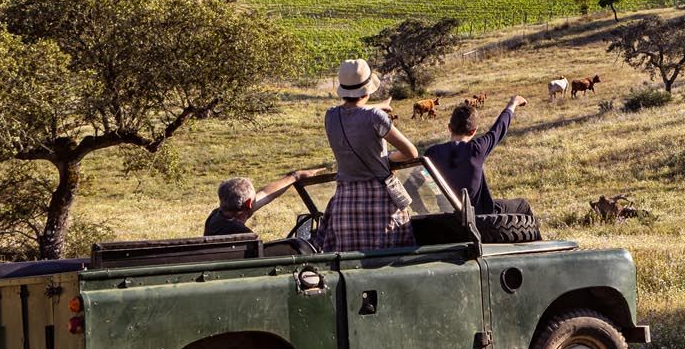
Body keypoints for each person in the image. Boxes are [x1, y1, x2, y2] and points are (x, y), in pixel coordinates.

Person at [318, 59, 421, 252]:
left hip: (345, 203)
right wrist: (387, 159)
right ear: (367, 89)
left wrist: (376, 107)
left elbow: (353, 113)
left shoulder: (330, 116)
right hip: (379, 201)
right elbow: (411, 152)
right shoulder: (375, 116)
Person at [424, 95, 531, 216]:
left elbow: (421, 181)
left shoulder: (431, 153)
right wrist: (513, 103)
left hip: (447, 215)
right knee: (523, 205)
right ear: (473, 131)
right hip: (479, 216)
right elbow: (499, 128)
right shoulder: (476, 148)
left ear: (449, 128)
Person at [203, 168, 327, 237]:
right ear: (249, 204)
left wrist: (296, 176)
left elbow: (266, 194)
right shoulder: (245, 236)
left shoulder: (215, 217)